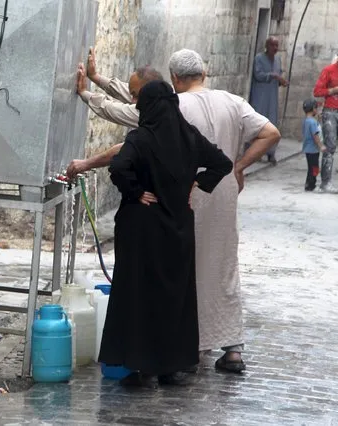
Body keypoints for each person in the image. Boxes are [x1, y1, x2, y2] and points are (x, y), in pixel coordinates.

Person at [67, 49, 281, 373]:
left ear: (175, 78)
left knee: (179, 272)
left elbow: (128, 131)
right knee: (222, 266)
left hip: (180, 198)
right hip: (219, 191)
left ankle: (178, 348)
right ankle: (231, 346)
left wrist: (87, 106)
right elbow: (271, 133)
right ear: (204, 74)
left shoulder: (174, 107)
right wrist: (239, 167)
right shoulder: (233, 102)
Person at [100, 80, 233, 387]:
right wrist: (195, 184)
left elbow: (119, 167)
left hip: (143, 229)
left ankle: (138, 367)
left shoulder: (141, 138)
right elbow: (222, 163)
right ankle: (169, 367)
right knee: (174, 298)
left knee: (138, 295)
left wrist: (136, 192)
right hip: (178, 229)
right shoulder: (190, 137)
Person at [76, 47, 163, 128]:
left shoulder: (154, 112)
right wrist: (95, 76)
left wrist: (84, 93)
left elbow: (114, 111)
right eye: (134, 95)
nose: (132, 101)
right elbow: (127, 91)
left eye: (136, 96)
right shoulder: (161, 95)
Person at [312, 48, 338, 194]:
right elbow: (317, 91)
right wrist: (336, 89)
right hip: (330, 111)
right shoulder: (328, 70)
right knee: (330, 147)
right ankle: (325, 183)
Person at [249, 36, 288, 165]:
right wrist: (273, 76)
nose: (275, 48)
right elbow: (258, 75)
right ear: (267, 46)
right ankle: (255, 152)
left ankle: (271, 153)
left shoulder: (277, 60)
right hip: (260, 97)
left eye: (277, 45)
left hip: (272, 98)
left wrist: (281, 81)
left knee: (272, 125)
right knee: (258, 124)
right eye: (272, 45)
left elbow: (278, 76)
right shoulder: (259, 59)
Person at [302, 99, 327, 191]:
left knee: (311, 168)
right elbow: (315, 135)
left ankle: (308, 185)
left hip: (309, 149)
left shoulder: (307, 120)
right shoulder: (312, 122)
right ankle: (312, 186)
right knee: (314, 168)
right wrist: (321, 146)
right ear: (313, 109)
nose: (317, 110)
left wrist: (319, 119)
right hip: (313, 149)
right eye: (316, 108)